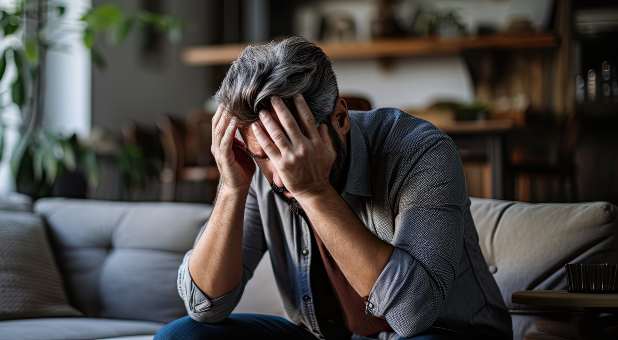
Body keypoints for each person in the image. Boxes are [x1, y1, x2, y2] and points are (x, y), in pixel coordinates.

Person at [155, 36, 512, 340]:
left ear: (340, 118)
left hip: (444, 333)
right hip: (326, 336)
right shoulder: (255, 171)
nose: (280, 177)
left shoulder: (422, 152)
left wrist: (313, 192)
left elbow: (412, 315)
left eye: (294, 149)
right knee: (181, 336)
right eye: (265, 155)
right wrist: (232, 188)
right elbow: (205, 306)